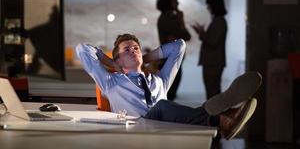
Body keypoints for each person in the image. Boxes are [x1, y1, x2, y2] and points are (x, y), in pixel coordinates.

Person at [76, 33, 261, 140]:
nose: (133, 50)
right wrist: (113, 64)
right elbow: (82, 48)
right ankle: (221, 118)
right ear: (118, 59)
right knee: (162, 106)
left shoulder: (159, 81)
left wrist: (145, 58)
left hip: (165, 128)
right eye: (127, 50)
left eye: (136, 48)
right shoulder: (111, 82)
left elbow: (179, 46)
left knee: (164, 107)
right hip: (135, 130)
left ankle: (222, 119)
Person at [156, 0, 191, 100]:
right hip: (171, 60)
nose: (178, 2)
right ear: (168, 1)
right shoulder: (168, 18)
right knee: (169, 96)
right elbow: (186, 36)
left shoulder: (167, 17)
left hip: (171, 59)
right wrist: (181, 20)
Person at [192, 0, 228, 99]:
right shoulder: (218, 21)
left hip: (213, 62)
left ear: (214, 6)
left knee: (212, 92)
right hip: (213, 62)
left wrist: (201, 33)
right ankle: (213, 115)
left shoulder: (219, 21)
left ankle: (214, 115)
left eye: (209, 6)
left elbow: (213, 42)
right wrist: (203, 33)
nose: (208, 8)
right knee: (212, 91)